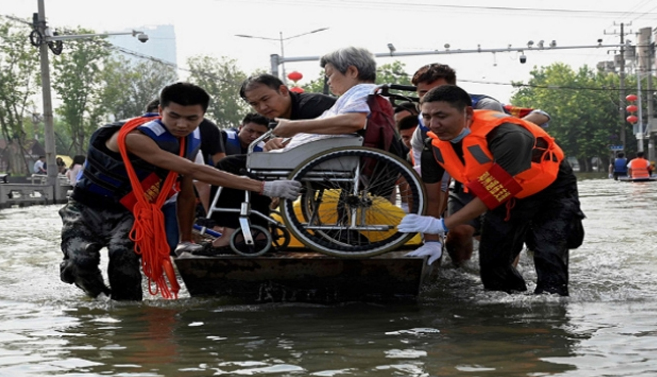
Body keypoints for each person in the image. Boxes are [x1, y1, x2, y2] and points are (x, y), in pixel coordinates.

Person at [58, 82, 301, 301]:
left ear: (202, 116)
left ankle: (128, 321)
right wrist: (263, 187)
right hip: (86, 208)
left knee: (124, 259)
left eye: (191, 118)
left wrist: (185, 240)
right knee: (82, 260)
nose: (182, 124)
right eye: (174, 116)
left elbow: (186, 193)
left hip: (130, 213)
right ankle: (93, 293)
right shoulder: (134, 137)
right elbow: (194, 170)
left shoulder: (189, 141)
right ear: (160, 111)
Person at [398, 85, 584, 296]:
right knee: (493, 266)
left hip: (550, 187)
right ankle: (507, 315)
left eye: (441, 116)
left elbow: (490, 196)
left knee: (547, 252)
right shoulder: (433, 147)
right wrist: (431, 241)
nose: (433, 124)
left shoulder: (506, 134)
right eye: (427, 116)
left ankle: (551, 313)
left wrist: (443, 224)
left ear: (467, 113)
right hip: (504, 194)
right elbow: (431, 198)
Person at [207, 47, 377, 251]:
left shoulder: (314, 105)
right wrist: (282, 142)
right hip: (311, 159)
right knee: (248, 168)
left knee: (231, 165)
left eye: (265, 99)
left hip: (328, 162)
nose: (262, 108)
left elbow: (342, 130)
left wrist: (292, 132)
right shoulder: (339, 101)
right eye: (254, 104)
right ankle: (253, 230)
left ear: (283, 90)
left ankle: (236, 233)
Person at [409, 63, 552, 267]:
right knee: (458, 233)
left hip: (506, 177)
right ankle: (462, 274)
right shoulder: (421, 134)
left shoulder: (487, 109)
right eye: (424, 94)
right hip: (466, 180)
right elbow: (430, 191)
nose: (431, 100)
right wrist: (430, 235)